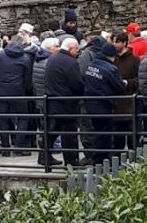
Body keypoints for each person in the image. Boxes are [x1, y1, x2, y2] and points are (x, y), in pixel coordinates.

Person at [42, 36, 85, 167]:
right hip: (67, 102)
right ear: (71, 49)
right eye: (77, 49)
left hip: (53, 99)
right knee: (69, 134)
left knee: (53, 130)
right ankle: (71, 161)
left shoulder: (53, 58)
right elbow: (76, 84)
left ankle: (43, 155)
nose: (78, 52)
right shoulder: (70, 62)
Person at [83, 41, 127, 163]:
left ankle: (98, 158)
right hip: (104, 104)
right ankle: (101, 160)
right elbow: (119, 87)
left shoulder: (91, 65)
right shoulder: (110, 68)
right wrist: (124, 83)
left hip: (90, 103)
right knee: (105, 133)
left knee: (97, 132)